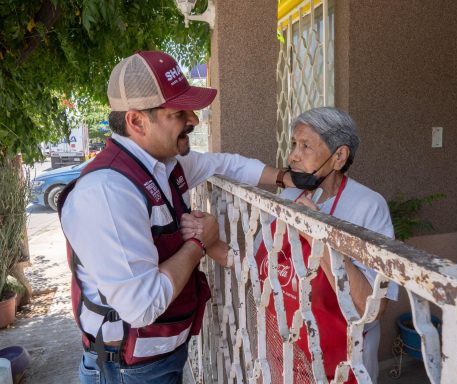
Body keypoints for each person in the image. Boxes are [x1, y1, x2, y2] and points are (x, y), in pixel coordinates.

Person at [58, 50, 289, 384]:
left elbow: (225, 164)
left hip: (157, 359)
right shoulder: (108, 192)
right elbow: (141, 307)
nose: (193, 120)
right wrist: (200, 242)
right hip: (129, 370)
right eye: (179, 113)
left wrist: (284, 178)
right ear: (136, 121)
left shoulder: (163, 165)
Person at [182, 107, 398, 383]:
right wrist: (209, 242)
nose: (291, 156)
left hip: (340, 366)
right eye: (294, 144)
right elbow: (256, 265)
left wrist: (318, 235)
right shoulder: (290, 195)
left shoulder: (368, 206)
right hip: (281, 355)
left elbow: (372, 309)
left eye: (305, 146)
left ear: (339, 156)